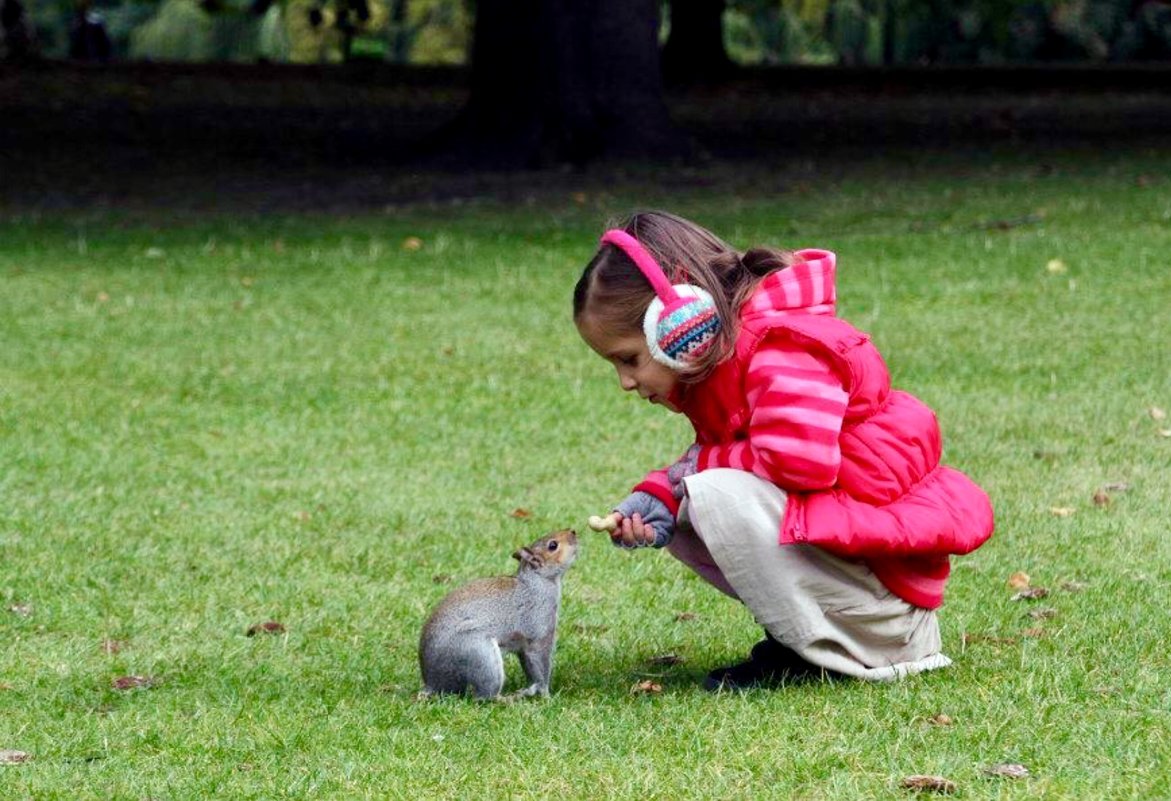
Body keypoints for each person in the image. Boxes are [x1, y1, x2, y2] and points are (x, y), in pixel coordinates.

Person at [573, 210, 994, 690]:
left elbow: (797, 466)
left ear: (678, 321)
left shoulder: (783, 349)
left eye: (628, 359)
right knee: (690, 499)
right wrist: (662, 495)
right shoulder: (734, 362)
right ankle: (804, 643)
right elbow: (742, 460)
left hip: (889, 612)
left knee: (711, 495)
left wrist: (681, 484)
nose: (626, 382)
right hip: (867, 587)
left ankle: (841, 646)